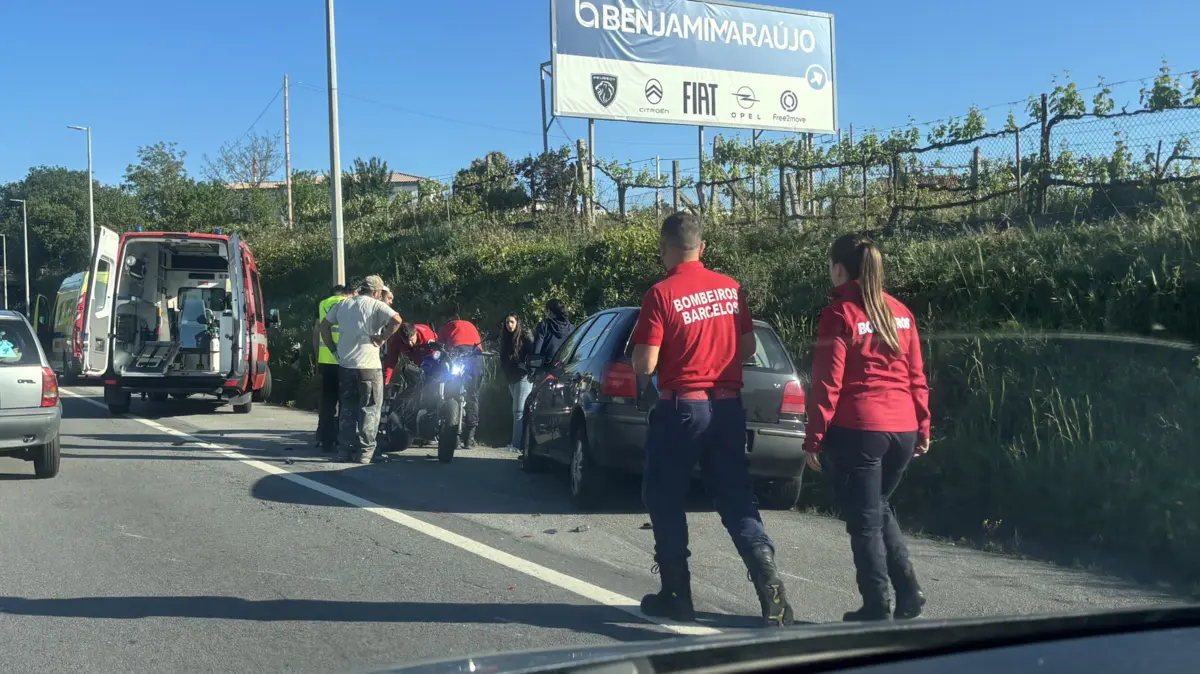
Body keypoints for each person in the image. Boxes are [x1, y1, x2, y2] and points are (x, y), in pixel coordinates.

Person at [630, 212, 794, 628]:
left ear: (664, 248)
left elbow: (645, 362)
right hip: (727, 408)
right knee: (736, 498)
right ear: (702, 247)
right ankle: (768, 581)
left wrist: (666, 364)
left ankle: (675, 593)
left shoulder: (660, 294)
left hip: (682, 407)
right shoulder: (732, 289)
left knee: (664, 496)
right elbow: (747, 346)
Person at [803, 233, 931, 622]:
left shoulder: (840, 313)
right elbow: (916, 376)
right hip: (903, 427)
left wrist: (814, 437)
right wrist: (923, 426)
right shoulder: (901, 313)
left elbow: (828, 381)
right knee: (876, 507)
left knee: (863, 523)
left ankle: (877, 604)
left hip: (860, 428)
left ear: (839, 269)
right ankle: (909, 591)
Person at [320, 275, 403, 464]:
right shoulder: (375, 305)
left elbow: (324, 326)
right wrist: (382, 338)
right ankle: (365, 452)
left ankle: (343, 450)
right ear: (375, 292)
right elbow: (397, 320)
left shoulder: (343, 305)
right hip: (369, 367)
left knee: (347, 409)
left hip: (346, 366)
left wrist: (334, 349)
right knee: (370, 409)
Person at [313, 284, 353, 453]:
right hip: (345, 360)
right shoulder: (349, 304)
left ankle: (325, 440)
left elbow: (317, 332)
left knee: (327, 402)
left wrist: (317, 359)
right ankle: (342, 440)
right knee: (346, 402)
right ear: (346, 293)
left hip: (326, 360)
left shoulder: (323, 304)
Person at [437, 317, 484, 448]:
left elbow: (439, 350)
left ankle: (454, 438)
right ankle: (470, 438)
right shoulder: (470, 326)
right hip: (476, 354)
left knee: (452, 393)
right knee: (472, 395)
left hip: (457, 352)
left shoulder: (446, 327)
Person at [498, 313, 534, 453]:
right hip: (511, 377)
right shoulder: (506, 338)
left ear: (517, 322)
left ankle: (516, 445)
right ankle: (520, 443)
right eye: (507, 322)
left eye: (512, 322)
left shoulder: (525, 337)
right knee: (517, 412)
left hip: (523, 377)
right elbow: (503, 357)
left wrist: (525, 365)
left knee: (518, 411)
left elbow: (532, 353)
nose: (509, 325)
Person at [383, 322, 437, 387]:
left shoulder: (427, 336)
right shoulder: (396, 340)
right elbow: (390, 361)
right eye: (406, 340)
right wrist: (385, 381)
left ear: (416, 333)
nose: (410, 343)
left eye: (411, 340)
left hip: (428, 353)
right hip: (413, 356)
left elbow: (436, 355)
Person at [531, 299, 573, 363]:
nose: (545, 314)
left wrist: (533, 366)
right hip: (568, 367)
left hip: (547, 368)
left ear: (549, 311)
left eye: (546, 311)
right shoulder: (571, 328)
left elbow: (536, 351)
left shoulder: (544, 326)